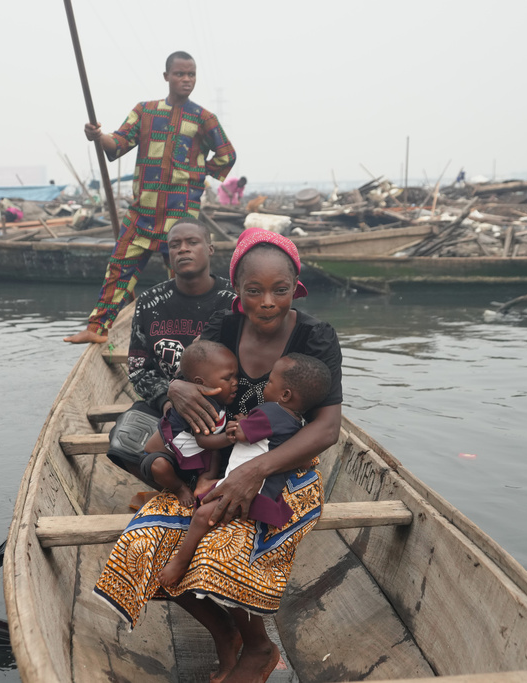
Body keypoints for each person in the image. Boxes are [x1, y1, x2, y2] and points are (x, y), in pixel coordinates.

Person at [94, 227, 343, 683]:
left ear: (296, 288)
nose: (267, 301)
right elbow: (191, 370)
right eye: (254, 290)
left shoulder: (315, 337)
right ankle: (224, 633)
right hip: (219, 463)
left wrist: (257, 471)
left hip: (283, 472)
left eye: (280, 290)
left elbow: (327, 429)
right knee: (145, 543)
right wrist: (177, 387)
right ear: (238, 291)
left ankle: (260, 649)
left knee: (216, 550)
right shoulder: (223, 325)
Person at [64, 50, 236, 344]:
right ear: (166, 76)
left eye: (191, 74)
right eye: (180, 74)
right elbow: (117, 144)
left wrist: (196, 173)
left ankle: (200, 337)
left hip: (181, 220)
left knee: (188, 280)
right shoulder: (145, 111)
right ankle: (97, 329)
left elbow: (227, 155)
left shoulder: (204, 118)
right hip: (142, 212)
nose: (186, 79)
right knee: (118, 268)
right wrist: (97, 136)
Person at [157, 352, 332, 589]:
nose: (266, 386)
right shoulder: (297, 425)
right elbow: (301, 460)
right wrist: (247, 423)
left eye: (270, 382)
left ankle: (180, 561)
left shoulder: (269, 411)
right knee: (208, 493)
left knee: (200, 516)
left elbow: (239, 434)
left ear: (285, 395)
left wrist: (237, 424)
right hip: (268, 494)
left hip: (250, 493)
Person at [105, 221, 236, 493]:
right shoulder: (149, 302)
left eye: (192, 242)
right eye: (174, 245)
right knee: (123, 444)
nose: (183, 250)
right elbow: (139, 369)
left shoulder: (232, 300)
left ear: (210, 249)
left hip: (223, 402)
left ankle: (211, 481)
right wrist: (168, 400)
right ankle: (176, 489)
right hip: (166, 405)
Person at [143, 339, 238, 508]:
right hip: (170, 457)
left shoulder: (217, 400)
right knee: (158, 466)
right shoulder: (197, 406)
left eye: (236, 376)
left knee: (215, 452)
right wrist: (231, 437)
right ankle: (180, 488)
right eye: (227, 378)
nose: (235, 382)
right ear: (201, 383)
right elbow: (203, 441)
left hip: (193, 455)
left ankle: (204, 480)